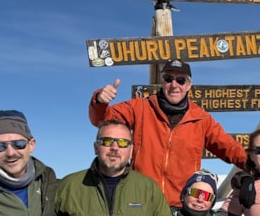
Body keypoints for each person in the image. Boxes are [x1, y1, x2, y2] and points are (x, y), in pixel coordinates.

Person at [87, 59, 248, 207]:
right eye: (168, 78)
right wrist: (100, 101)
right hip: (141, 202)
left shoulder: (201, 119)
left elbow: (230, 149)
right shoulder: (140, 108)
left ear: (189, 85)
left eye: (181, 80)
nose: (174, 85)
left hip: (180, 206)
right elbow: (102, 120)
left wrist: (259, 167)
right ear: (162, 81)